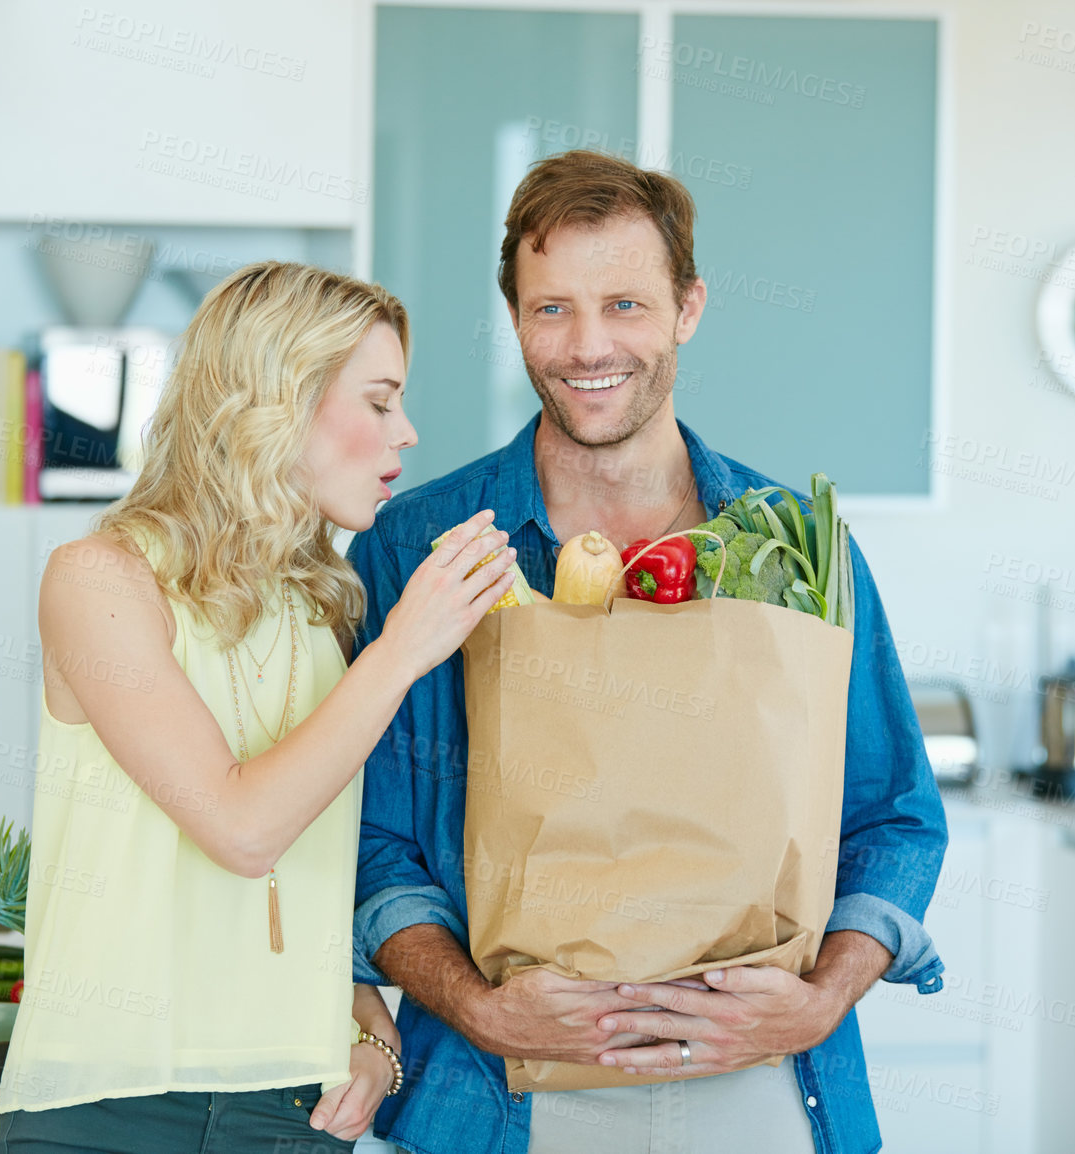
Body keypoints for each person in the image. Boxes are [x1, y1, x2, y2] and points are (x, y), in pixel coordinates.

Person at [347, 150, 948, 1154]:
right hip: (501, 1093)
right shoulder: (418, 543)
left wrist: (819, 1000)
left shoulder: (799, 545)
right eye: (551, 310)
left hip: (763, 1083)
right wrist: (476, 1005)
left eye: (625, 303)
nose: (588, 345)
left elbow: (893, 813)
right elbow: (371, 837)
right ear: (513, 318)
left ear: (688, 308)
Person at [0, 261, 522, 1153]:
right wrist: (403, 651)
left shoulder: (328, 610)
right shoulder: (101, 582)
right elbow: (241, 830)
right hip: (107, 1104)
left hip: (293, 1106)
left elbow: (325, 876)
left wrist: (371, 1037)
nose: (409, 431)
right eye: (379, 401)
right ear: (281, 401)